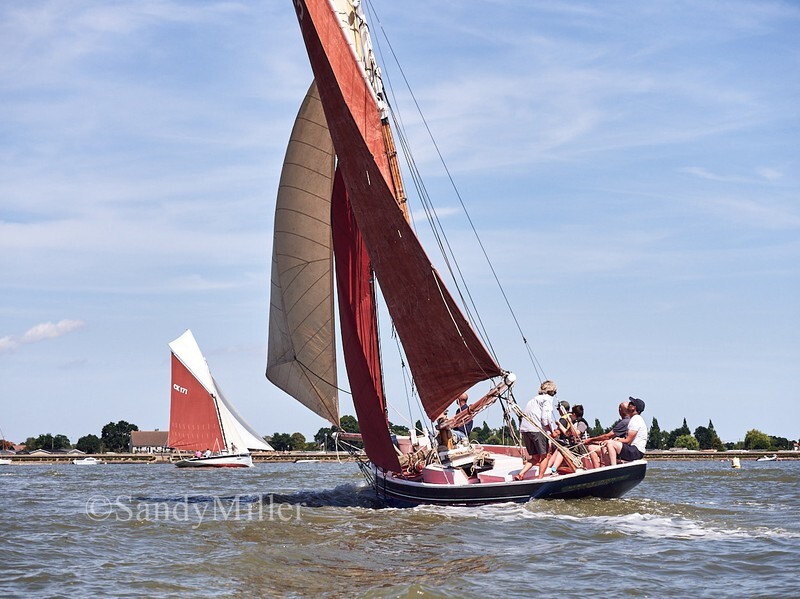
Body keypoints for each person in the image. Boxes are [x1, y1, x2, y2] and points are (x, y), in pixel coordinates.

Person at [515, 380, 557, 480]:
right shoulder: (547, 399)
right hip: (537, 430)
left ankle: (521, 474)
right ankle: (540, 478)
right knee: (544, 456)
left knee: (535, 457)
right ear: (552, 391)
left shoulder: (533, 400)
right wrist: (552, 432)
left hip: (526, 430)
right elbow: (545, 419)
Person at [585, 400, 631, 468]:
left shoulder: (624, 422)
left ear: (620, 411)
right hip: (624, 448)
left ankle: (602, 469)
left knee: (591, 448)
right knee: (596, 446)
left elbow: (607, 436)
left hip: (621, 450)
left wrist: (591, 440)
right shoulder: (630, 421)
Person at [603, 397, 647, 465]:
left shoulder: (636, 420)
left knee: (610, 443)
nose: (629, 404)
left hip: (636, 451)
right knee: (605, 447)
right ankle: (609, 467)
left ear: (634, 408)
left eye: (631, 403)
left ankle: (613, 467)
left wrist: (615, 440)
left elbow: (628, 440)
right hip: (633, 450)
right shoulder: (634, 419)